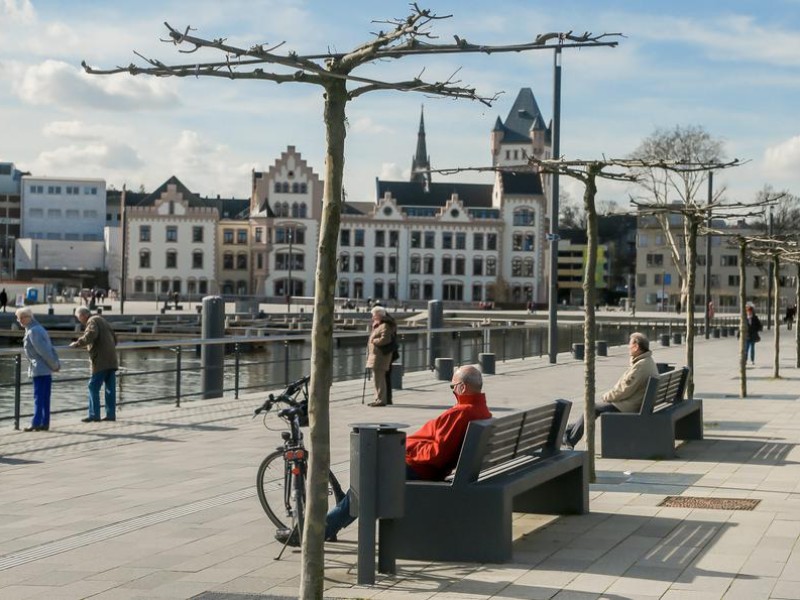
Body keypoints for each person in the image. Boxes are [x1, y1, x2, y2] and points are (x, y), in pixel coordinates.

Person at [283, 365, 490, 546]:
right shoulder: (481, 411)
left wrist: (403, 450)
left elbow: (437, 454)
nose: (453, 391)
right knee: (364, 482)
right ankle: (328, 525)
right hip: (430, 468)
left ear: (462, 388)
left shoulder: (461, 412)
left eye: (452, 387)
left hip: (421, 469)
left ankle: (316, 532)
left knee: (365, 483)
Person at [564, 332, 658, 449]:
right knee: (593, 408)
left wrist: (606, 396)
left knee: (592, 408)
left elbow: (624, 390)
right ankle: (568, 432)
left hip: (629, 406)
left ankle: (570, 440)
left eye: (630, 344)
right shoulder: (647, 361)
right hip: (637, 403)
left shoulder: (641, 365)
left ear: (636, 347)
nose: (628, 347)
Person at [69, 306, 119, 423]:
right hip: (111, 359)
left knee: (93, 386)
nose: (79, 320)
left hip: (101, 361)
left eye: (78, 318)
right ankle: (110, 414)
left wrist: (77, 343)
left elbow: (91, 335)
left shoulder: (92, 321)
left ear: (83, 315)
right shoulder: (102, 320)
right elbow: (115, 338)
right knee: (110, 388)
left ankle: (94, 415)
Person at [16, 307, 60, 432]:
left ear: (26, 318)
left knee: (39, 396)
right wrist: (55, 364)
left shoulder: (33, 331)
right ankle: (44, 422)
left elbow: (43, 351)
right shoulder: (39, 329)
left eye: (20, 319)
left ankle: (36, 422)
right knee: (45, 397)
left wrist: (54, 365)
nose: (19, 321)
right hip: (46, 369)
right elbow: (50, 349)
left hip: (39, 369)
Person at [365, 305, 396, 407]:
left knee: (379, 378)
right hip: (376, 356)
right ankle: (378, 398)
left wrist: (374, 341)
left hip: (380, 357)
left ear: (378, 315)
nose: (372, 317)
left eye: (374, 315)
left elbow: (385, 339)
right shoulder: (378, 325)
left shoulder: (384, 326)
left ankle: (381, 399)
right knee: (377, 378)